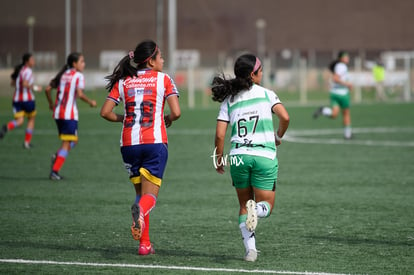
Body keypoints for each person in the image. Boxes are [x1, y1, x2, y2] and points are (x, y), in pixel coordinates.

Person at [100, 40, 181, 256]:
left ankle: (144, 245)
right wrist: (167, 119)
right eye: (160, 56)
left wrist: (123, 118)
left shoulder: (124, 81)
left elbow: (105, 112)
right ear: (151, 61)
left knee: (140, 193)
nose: (163, 60)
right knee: (149, 197)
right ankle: (141, 213)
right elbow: (176, 113)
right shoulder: (164, 79)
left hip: (128, 144)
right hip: (154, 143)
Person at [211, 54, 289, 262]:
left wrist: (219, 158)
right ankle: (259, 210)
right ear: (253, 75)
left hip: (238, 157)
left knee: (244, 204)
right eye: (260, 70)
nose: (262, 73)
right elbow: (285, 117)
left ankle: (250, 251)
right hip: (264, 154)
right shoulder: (267, 95)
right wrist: (278, 136)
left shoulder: (230, 100)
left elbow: (220, 135)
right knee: (267, 206)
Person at [45, 52, 97, 180]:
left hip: (58, 113)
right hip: (69, 115)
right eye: (82, 61)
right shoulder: (78, 76)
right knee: (67, 143)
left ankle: (57, 157)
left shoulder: (63, 74)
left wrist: (51, 104)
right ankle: (54, 171)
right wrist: (91, 102)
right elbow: (79, 94)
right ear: (74, 64)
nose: (84, 64)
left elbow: (47, 89)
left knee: (73, 140)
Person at [0, 53, 42, 148]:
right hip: (27, 100)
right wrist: (35, 88)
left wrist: (20, 86)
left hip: (16, 99)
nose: (34, 61)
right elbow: (24, 84)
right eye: (32, 60)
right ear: (27, 62)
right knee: (31, 119)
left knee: (19, 121)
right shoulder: (28, 71)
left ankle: (6, 127)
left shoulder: (19, 70)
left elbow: (12, 83)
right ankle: (26, 143)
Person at [313, 51, 353, 139]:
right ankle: (347, 135)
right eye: (345, 56)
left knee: (334, 114)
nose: (347, 58)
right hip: (342, 93)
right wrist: (347, 84)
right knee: (346, 114)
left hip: (334, 93)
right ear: (340, 58)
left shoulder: (338, 66)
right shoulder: (342, 66)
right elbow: (335, 78)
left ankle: (323, 110)